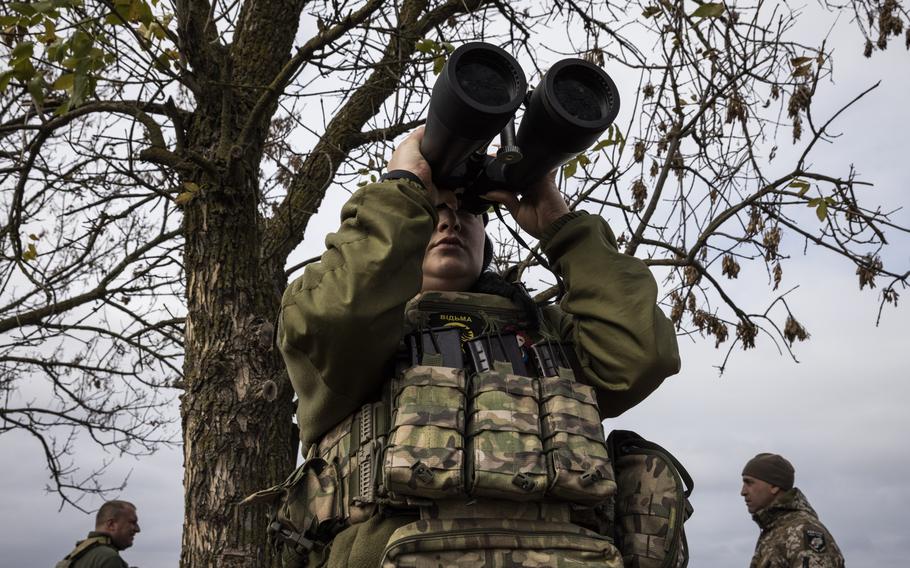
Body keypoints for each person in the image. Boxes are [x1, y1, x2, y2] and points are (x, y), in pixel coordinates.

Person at [274, 127, 681, 566]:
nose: (448, 221)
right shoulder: (356, 337)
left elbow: (641, 355)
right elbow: (337, 313)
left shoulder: (548, 333)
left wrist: (560, 224)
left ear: (486, 237)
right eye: (432, 210)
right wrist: (402, 187)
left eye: (466, 211)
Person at [741, 453, 845, 567]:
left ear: (774, 486)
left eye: (749, 483)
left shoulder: (802, 531)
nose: (743, 492)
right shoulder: (775, 532)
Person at [56, 500, 140, 568]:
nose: (137, 529)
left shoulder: (73, 557)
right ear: (111, 525)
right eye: (132, 522)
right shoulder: (108, 557)